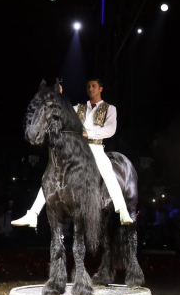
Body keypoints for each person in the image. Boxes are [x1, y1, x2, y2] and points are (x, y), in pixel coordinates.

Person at [12, 78, 133, 228]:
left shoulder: (109, 108)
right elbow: (63, 110)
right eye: (88, 86)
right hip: (76, 148)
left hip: (95, 147)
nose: (90, 88)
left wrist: (89, 133)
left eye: (94, 86)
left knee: (106, 169)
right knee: (52, 172)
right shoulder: (79, 108)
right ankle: (33, 214)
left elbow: (110, 129)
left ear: (100, 89)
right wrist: (58, 95)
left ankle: (122, 210)